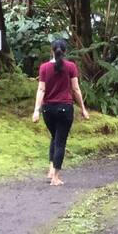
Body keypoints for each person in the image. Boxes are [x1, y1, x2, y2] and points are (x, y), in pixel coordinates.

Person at [32, 38, 89, 186]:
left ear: (51, 50)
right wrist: (83, 109)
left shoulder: (44, 67)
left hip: (48, 110)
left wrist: (36, 111)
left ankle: (51, 169)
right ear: (65, 51)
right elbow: (76, 89)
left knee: (54, 137)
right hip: (65, 109)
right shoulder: (71, 67)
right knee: (60, 142)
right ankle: (55, 178)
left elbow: (41, 89)